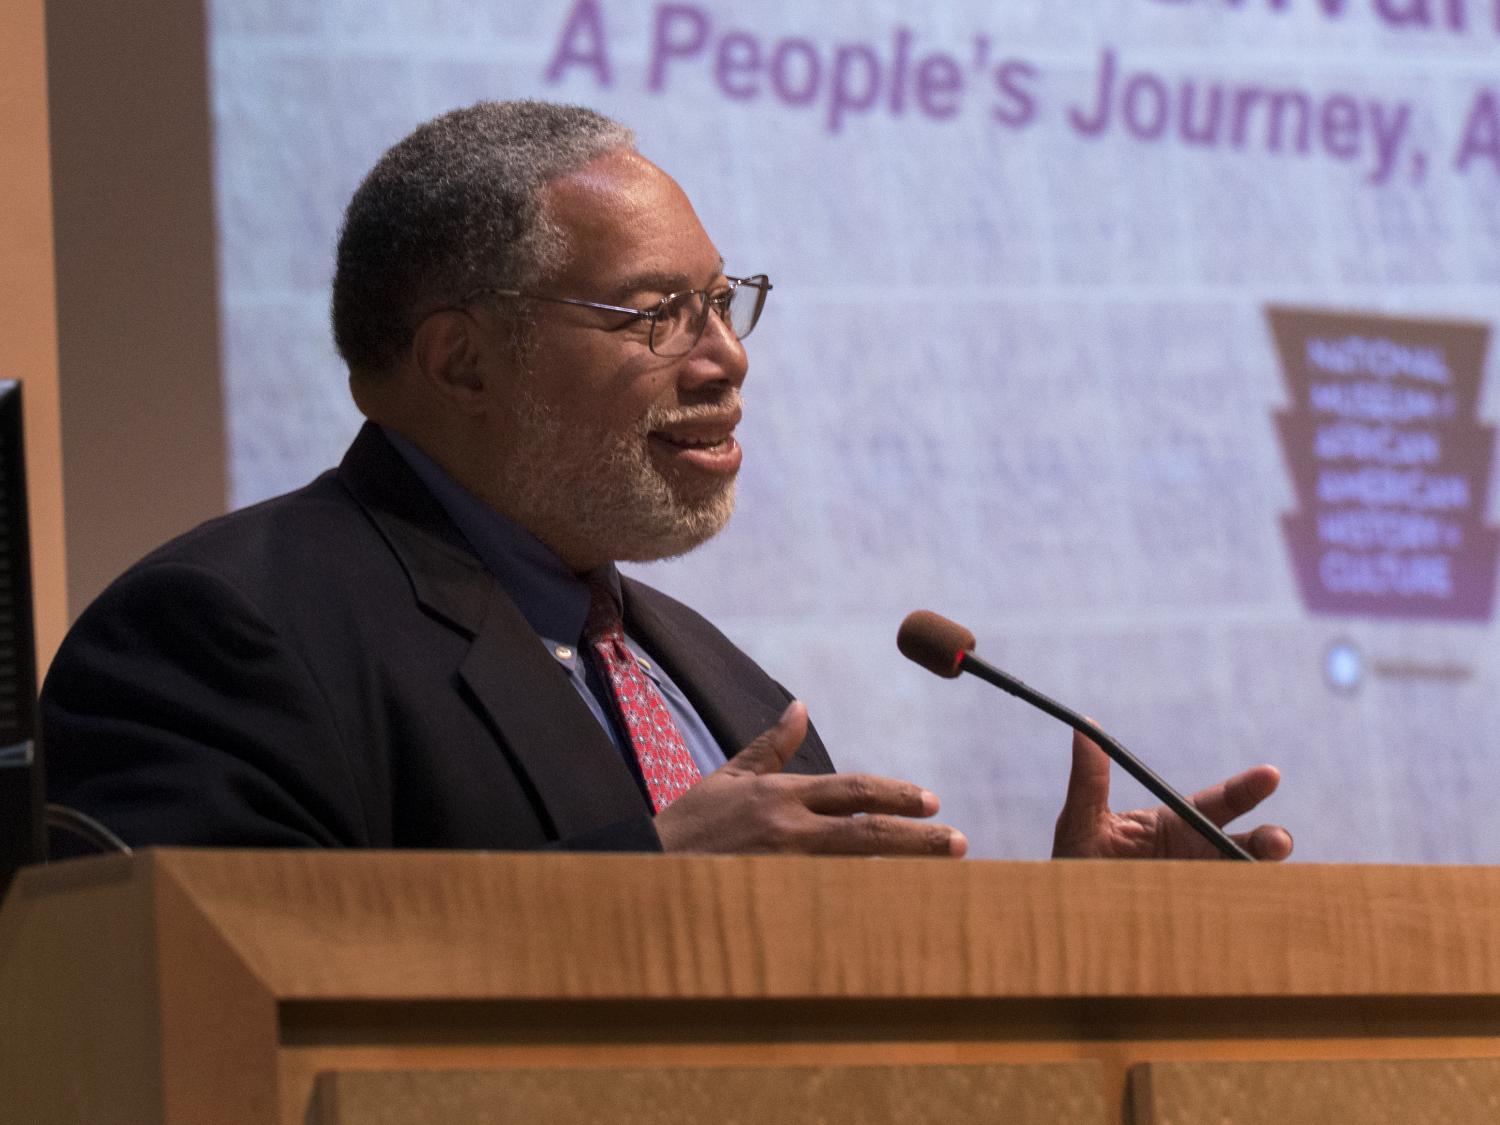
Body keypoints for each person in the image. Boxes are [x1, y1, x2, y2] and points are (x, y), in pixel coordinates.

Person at [41, 100, 1292, 861]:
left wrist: (1080, 946)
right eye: (657, 314)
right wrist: (645, 885)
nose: (729, 356)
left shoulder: (723, 684)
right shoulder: (224, 632)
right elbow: (203, 1009)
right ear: (461, 358)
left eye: (725, 301)